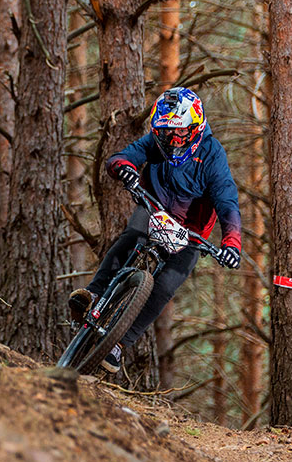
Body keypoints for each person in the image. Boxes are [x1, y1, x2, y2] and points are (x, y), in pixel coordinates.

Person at [69, 87, 242, 374]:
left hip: (191, 231)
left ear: (195, 128)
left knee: (165, 286)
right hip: (155, 207)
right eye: (164, 134)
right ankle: (92, 295)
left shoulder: (213, 155)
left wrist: (231, 243)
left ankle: (119, 344)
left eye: (178, 135)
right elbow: (123, 157)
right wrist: (123, 167)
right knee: (129, 239)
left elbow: (226, 200)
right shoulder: (156, 141)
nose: (172, 142)